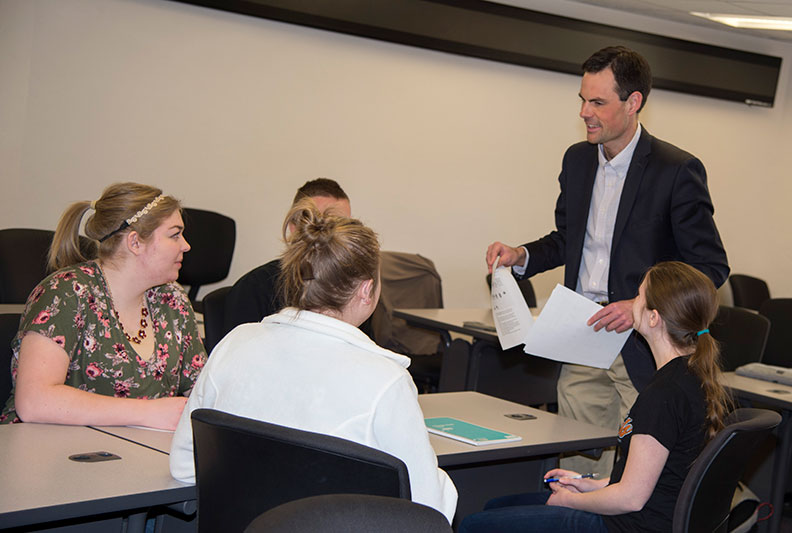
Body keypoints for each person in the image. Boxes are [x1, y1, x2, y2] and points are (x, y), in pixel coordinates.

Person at [485, 46, 728, 475]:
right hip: (581, 332)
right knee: (577, 459)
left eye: (597, 102)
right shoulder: (577, 160)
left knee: (641, 469)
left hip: (645, 342)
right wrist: (521, 256)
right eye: (582, 99)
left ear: (633, 103)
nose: (584, 112)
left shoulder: (676, 169)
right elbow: (568, 240)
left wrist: (643, 305)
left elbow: (710, 267)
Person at [170, 200, 458, 522]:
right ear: (366, 290)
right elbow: (428, 510)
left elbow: (184, 466)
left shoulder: (234, 343)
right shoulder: (385, 379)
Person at [459, 261, 731, 532]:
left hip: (627, 526)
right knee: (497, 506)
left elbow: (632, 498)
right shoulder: (691, 377)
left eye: (639, 296)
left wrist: (574, 501)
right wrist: (586, 484)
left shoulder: (663, 395)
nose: (632, 301)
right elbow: (654, 478)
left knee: (474, 525)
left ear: (653, 317)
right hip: (649, 517)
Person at [0, 183, 206, 430]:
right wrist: (147, 412)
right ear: (135, 243)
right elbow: (34, 401)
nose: (186, 245)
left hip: (131, 450)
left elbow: (201, 390)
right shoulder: (66, 293)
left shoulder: (172, 299)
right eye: (174, 234)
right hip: (44, 450)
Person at [222, 178, 351, 333]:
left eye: (344, 227)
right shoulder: (255, 289)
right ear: (294, 228)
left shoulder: (352, 290)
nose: (334, 236)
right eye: (321, 226)